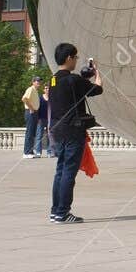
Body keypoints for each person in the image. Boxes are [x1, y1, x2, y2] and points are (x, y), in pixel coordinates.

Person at [47, 45, 101, 224]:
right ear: (69, 58)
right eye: (76, 57)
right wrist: (97, 74)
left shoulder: (53, 80)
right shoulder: (73, 80)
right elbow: (97, 89)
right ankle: (63, 212)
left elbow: (74, 89)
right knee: (69, 172)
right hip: (73, 131)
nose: (77, 60)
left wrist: (84, 78)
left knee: (60, 171)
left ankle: (56, 211)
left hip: (58, 131)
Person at [21, 76, 45, 159]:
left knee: (32, 133)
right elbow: (24, 99)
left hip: (34, 113)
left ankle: (30, 151)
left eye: (39, 81)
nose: (39, 83)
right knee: (29, 133)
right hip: (30, 112)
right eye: (37, 81)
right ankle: (26, 152)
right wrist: (31, 108)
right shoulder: (30, 89)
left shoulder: (35, 91)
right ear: (33, 82)